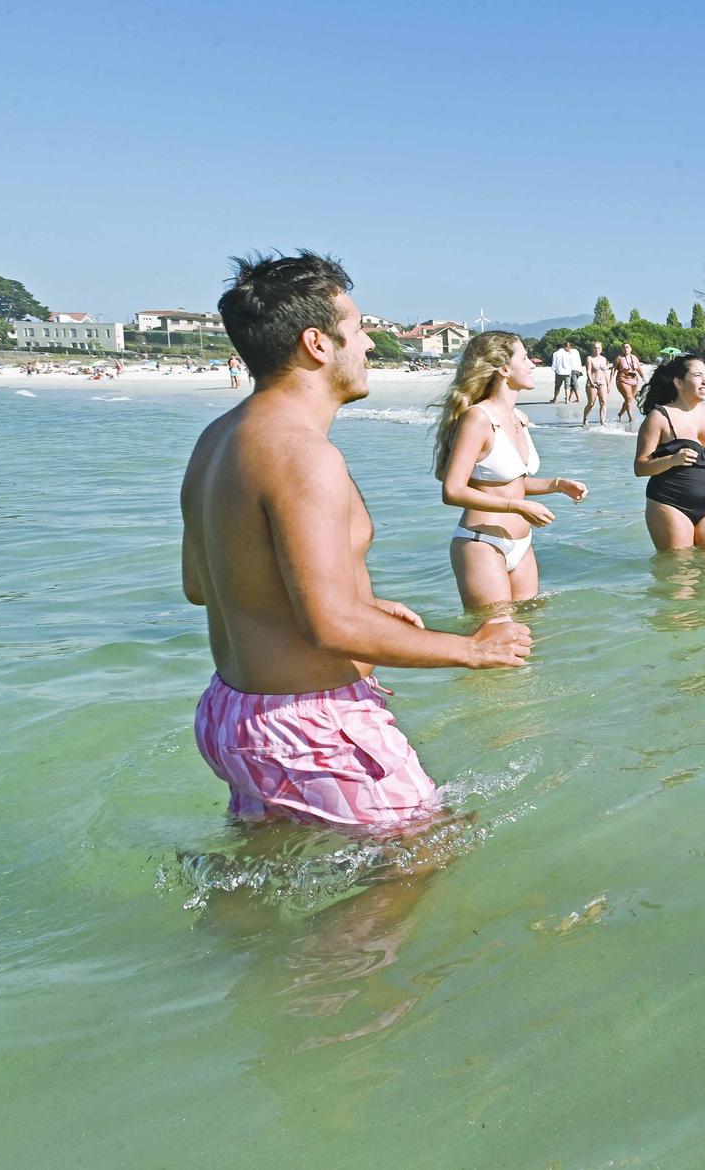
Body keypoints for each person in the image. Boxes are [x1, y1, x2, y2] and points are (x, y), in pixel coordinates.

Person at [180, 251, 532, 833]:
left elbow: (202, 586)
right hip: (309, 723)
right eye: (360, 329)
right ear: (317, 344)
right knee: (422, 855)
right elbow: (331, 626)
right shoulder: (303, 454)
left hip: (234, 714)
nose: (368, 344)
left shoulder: (217, 439)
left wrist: (359, 605)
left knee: (264, 879)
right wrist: (474, 648)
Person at [435, 332, 588, 610]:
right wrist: (516, 507)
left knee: (528, 634)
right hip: (482, 542)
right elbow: (452, 490)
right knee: (494, 636)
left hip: (522, 544)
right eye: (525, 358)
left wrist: (557, 484)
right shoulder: (478, 418)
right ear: (505, 369)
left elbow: (512, 483)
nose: (532, 365)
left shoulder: (518, 418)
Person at [634, 353, 705, 552]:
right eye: (698, 375)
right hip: (669, 504)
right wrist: (672, 460)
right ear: (679, 382)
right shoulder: (659, 417)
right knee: (679, 574)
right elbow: (640, 467)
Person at [582, 341, 610, 427]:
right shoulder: (589, 358)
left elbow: (605, 372)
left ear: (601, 349)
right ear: (592, 349)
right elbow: (588, 372)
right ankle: (585, 419)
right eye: (595, 348)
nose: (597, 350)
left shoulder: (604, 359)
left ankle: (602, 421)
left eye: (598, 348)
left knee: (603, 402)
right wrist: (591, 382)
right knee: (591, 403)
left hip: (602, 383)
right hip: (592, 383)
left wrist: (608, 384)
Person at [613, 343, 644, 422]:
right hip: (623, 380)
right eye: (624, 347)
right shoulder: (619, 358)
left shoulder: (634, 357)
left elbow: (639, 369)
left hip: (634, 380)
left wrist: (643, 377)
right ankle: (631, 418)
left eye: (627, 347)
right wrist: (609, 380)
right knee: (628, 398)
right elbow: (613, 369)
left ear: (631, 349)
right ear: (622, 349)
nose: (626, 349)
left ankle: (620, 414)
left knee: (629, 400)